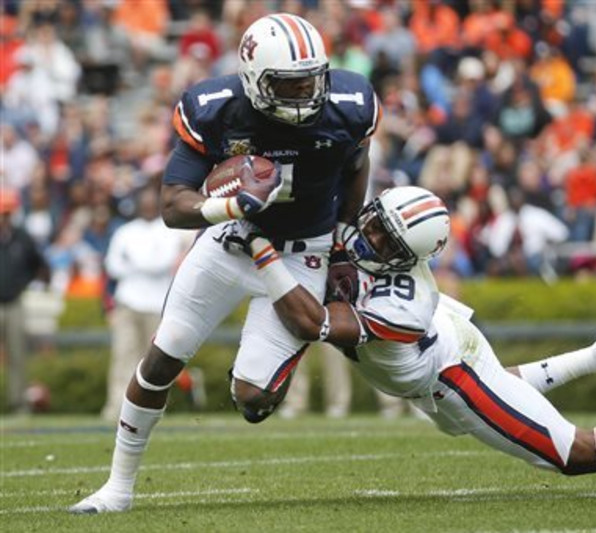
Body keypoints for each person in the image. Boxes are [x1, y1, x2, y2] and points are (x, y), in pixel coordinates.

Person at [250, 185, 596, 493]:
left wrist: (262, 252)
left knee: (566, 452)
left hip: (446, 370)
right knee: (495, 398)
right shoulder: (365, 237)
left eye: (379, 238)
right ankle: (594, 355)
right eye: (371, 224)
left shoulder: (405, 302)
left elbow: (312, 323)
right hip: (444, 358)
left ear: (407, 255)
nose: (364, 237)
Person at [70, 13, 380, 513]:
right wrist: (227, 208)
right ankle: (118, 488)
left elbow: (357, 165)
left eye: (313, 79)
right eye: (291, 83)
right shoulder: (215, 109)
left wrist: (342, 240)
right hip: (234, 240)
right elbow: (173, 203)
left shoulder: (350, 106)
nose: (307, 93)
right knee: (162, 357)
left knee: (254, 400)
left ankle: (265, 371)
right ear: (254, 80)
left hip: (304, 254)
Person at [100, 187, 187, 421]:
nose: (147, 206)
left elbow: (162, 263)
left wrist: (134, 262)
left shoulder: (170, 231)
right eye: (144, 202)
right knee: (123, 356)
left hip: (158, 305)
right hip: (128, 302)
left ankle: (153, 410)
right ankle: (116, 407)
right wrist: (143, 264)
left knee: (156, 362)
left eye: (151, 202)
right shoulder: (125, 232)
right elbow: (113, 267)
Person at [0, 188, 50, 413]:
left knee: (17, 354)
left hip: (14, 302)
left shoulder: (22, 236)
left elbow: (39, 264)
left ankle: (18, 403)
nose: (4, 218)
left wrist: (28, 283)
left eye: (7, 213)